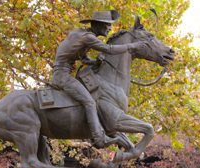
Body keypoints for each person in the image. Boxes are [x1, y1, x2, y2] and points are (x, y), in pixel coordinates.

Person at [52, 10, 146, 148]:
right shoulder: (87, 37)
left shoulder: (81, 34)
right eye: (107, 25)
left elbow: (82, 58)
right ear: (98, 25)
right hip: (62, 76)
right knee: (90, 102)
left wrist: (94, 62)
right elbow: (108, 49)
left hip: (64, 74)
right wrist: (131, 46)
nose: (110, 28)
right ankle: (99, 138)